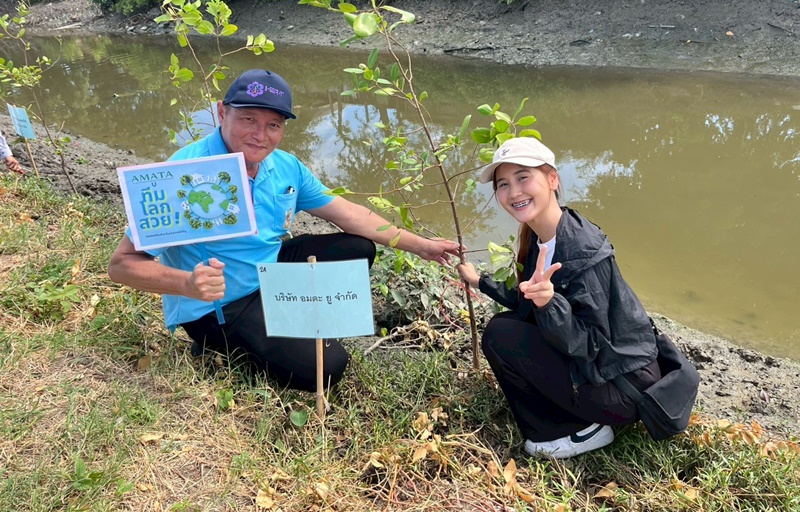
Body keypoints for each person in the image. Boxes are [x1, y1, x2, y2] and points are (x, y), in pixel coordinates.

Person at [108, 69, 461, 392]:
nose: (260, 135)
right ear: (222, 112)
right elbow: (122, 265)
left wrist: (420, 245)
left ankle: (291, 320)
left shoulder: (285, 166)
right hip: (219, 303)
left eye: (273, 125)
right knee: (328, 369)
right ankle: (218, 345)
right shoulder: (182, 174)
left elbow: (351, 214)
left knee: (358, 248)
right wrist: (187, 284)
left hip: (270, 273)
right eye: (248, 119)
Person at [457, 137, 660, 459]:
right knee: (510, 325)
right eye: (503, 184)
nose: (514, 192)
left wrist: (550, 304)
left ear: (552, 178)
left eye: (523, 177)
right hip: (607, 374)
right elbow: (528, 299)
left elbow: (592, 344)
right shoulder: (542, 234)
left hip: (624, 387)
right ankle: (571, 414)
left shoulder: (580, 249)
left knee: (501, 334)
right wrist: (480, 281)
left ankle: (579, 430)